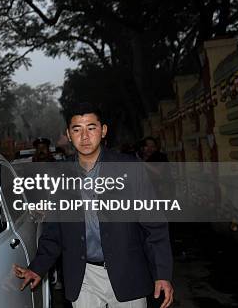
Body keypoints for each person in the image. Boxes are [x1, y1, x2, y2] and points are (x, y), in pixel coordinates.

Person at [13, 102, 174, 308]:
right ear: (69, 135)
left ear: (103, 130)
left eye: (91, 128)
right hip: (84, 275)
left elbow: (154, 225)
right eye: (77, 129)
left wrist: (162, 274)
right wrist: (37, 267)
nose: (85, 136)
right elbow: (55, 230)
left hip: (128, 271)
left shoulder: (129, 168)